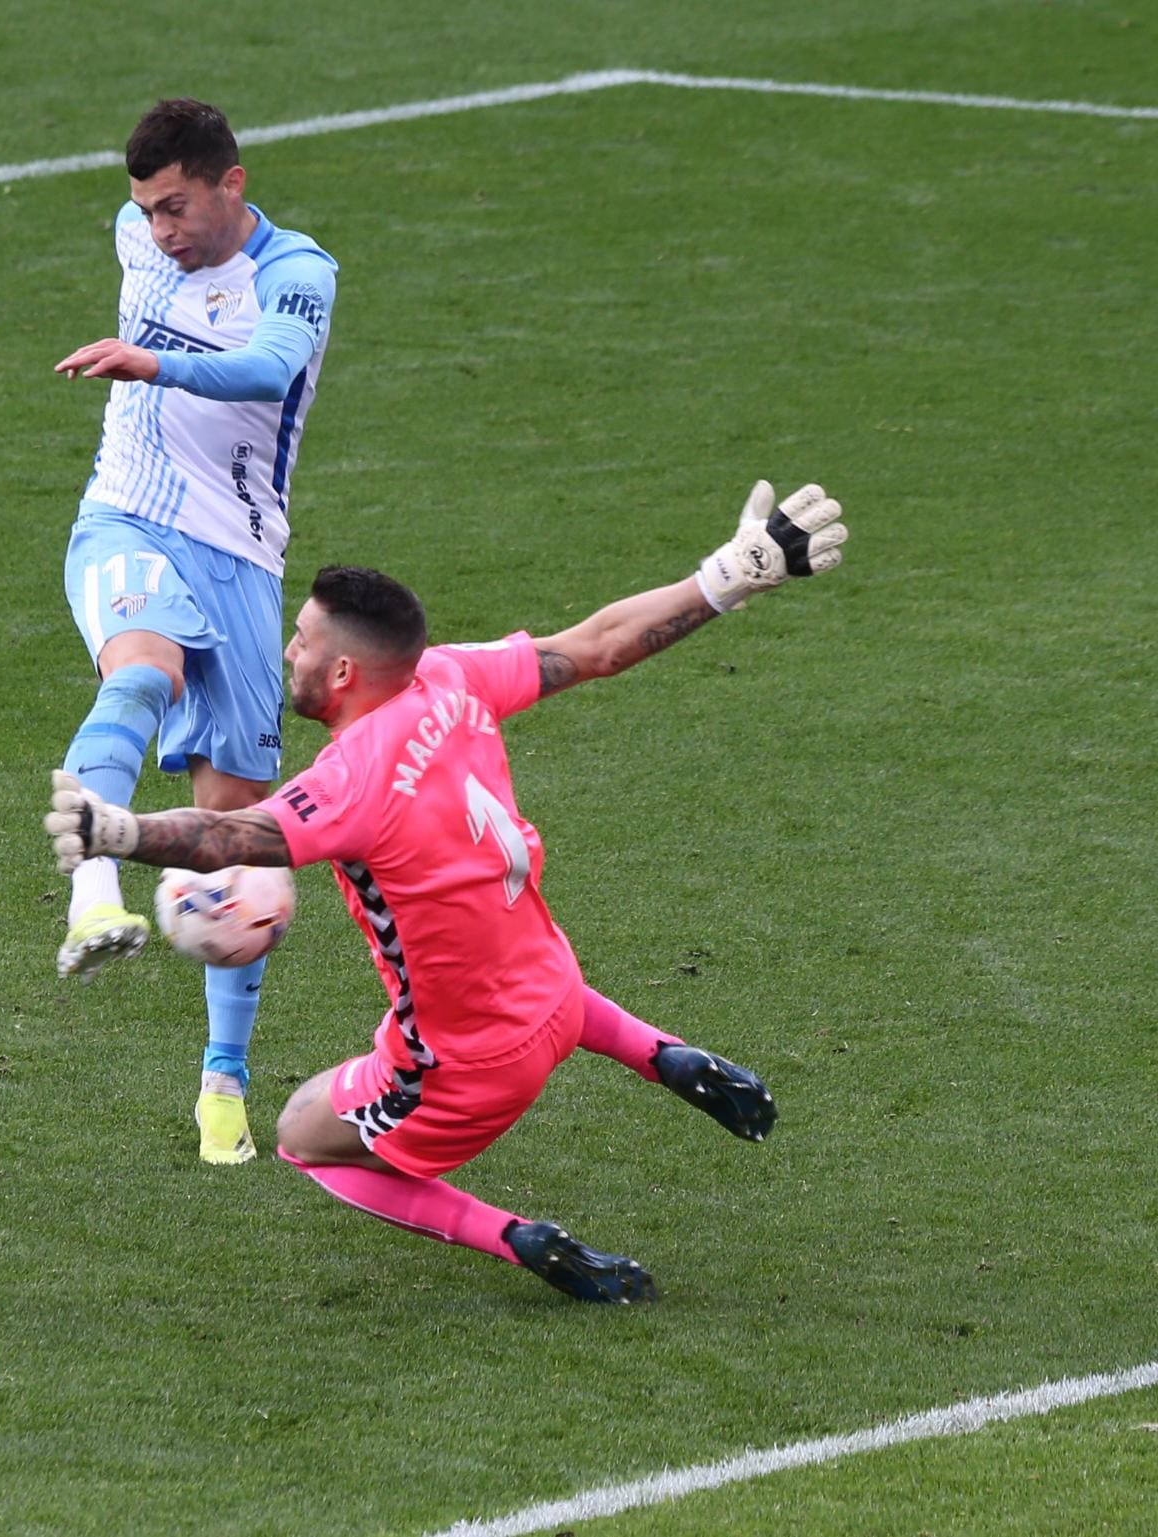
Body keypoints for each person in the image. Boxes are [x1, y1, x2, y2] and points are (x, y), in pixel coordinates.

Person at [46, 480, 847, 1301]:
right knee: (518, 958)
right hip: (557, 993)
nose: (289, 651)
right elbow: (600, 643)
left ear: (344, 668)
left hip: (469, 1067)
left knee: (302, 1131)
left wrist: (118, 832)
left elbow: (232, 837)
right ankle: (666, 1054)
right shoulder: (452, 677)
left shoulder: (351, 779)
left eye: (302, 641)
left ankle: (521, 1237)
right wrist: (728, 575)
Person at [52, 98, 339, 1165]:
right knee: (138, 675)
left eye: (178, 207)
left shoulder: (299, 271)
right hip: (126, 517)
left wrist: (149, 361)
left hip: (245, 564)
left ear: (233, 182)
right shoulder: (137, 238)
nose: (162, 232)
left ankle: (222, 1082)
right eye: (149, 212)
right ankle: (91, 898)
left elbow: (268, 368)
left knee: (237, 839)